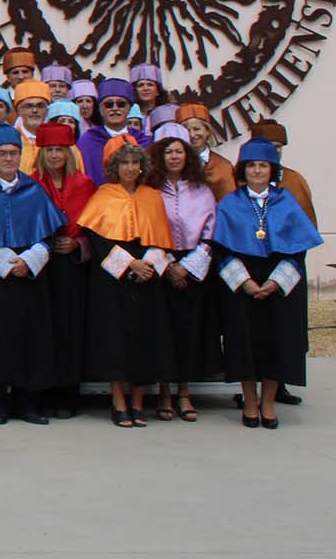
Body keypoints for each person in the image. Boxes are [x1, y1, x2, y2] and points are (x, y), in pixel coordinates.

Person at [212, 139, 319, 428]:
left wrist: (275, 282)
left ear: (272, 170)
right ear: (242, 170)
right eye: (251, 165)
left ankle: (268, 402)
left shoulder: (287, 203)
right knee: (243, 341)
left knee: (278, 341)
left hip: (279, 283)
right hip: (242, 282)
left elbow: (298, 249)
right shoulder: (230, 204)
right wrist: (245, 282)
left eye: (263, 165)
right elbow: (221, 250)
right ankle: (249, 400)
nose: (257, 171)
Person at [0, 125, 65, 425]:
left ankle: (28, 402)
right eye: (2, 153)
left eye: (13, 153)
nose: (8, 158)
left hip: (29, 275)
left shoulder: (33, 190)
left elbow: (48, 233)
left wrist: (29, 261)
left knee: (31, 338)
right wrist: (4, 263)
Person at [77, 143, 174, 427]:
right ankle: (118, 400)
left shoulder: (152, 196)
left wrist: (148, 265)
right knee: (115, 339)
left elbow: (160, 238)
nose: (130, 168)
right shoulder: (103, 196)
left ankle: (139, 402)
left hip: (146, 277)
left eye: (135, 162)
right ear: (114, 168)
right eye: (124, 163)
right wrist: (130, 263)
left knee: (145, 337)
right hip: (113, 277)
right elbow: (98, 240)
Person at [148, 124, 219, 422]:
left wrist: (187, 267)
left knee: (189, 333)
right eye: (168, 152)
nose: (174, 157)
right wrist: (168, 266)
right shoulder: (150, 189)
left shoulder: (202, 190)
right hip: (161, 266)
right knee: (163, 332)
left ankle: (184, 392)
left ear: (187, 155)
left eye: (179, 151)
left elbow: (210, 232)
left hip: (193, 267)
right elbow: (144, 232)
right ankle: (163, 392)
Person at [31, 121, 94, 419]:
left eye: (60, 149)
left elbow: (96, 227)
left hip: (71, 266)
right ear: (40, 153)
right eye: (49, 150)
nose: (55, 155)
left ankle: (69, 392)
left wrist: (79, 244)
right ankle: (44, 392)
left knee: (71, 328)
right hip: (42, 265)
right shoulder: (30, 184)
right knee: (44, 329)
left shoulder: (85, 184)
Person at [78, 78, 148, 185]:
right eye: (109, 104)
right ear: (100, 110)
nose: (115, 108)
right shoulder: (87, 142)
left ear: (129, 109)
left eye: (121, 104)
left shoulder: (143, 141)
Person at [250, 120, 316, 228]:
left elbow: (307, 227)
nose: (273, 151)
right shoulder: (239, 180)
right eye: (267, 146)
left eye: (277, 147)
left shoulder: (295, 180)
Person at [176, 103, 236, 199]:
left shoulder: (224, 166)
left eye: (197, 129)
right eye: (187, 130)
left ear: (207, 131)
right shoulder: (176, 165)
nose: (192, 135)